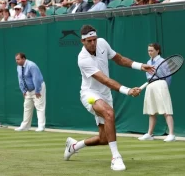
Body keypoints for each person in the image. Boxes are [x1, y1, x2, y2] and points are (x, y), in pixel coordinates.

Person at [63, 25, 155, 171]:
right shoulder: (82, 59)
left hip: (106, 94)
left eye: (94, 39)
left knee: (104, 138)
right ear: (83, 41)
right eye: (89, 41)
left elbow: (119, 59)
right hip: (90, 94)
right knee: (109, 113)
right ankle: (116, 157)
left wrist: (139, 66)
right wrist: (127, 90)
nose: (93, 43)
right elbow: (104, 80)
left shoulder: (102, 43)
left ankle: (74, 146)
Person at [138, 43, 175, 142]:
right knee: (151, 111)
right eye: (148, 50)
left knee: (166, 110)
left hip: (161, 85)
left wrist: (164, 87)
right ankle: (150, 134)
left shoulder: (163, 62)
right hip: (150, 86)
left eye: (151, 50)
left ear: (157, 50)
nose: (150, 52)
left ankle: (171, 134)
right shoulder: (148, 62)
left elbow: (168, 76)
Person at [14, 53, 46, 132]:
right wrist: (23, 90)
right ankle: (25, 126)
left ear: (23, 58)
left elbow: (36, 78)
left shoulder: (31, 65)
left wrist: (37, 90)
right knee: (27, 107)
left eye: (18, 59)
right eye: (16, 59)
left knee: (39, 107)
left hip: (38, 88)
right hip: (28, 90)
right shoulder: (18, 67)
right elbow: (20, 79)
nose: (16, 61)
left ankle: (41, 126)